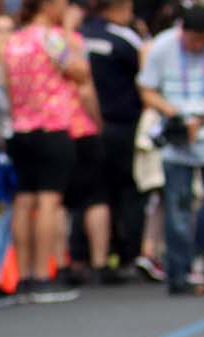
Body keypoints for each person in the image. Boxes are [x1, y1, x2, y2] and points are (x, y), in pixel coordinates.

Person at [138, 4, 204, 295]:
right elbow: (147, 88)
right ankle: (177, 274)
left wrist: (203, 117)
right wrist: (172, 112)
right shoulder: (163, 46)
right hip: (177, 141)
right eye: (193, 39)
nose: (198, 45)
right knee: (178, 211)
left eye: (203, 39)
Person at [3, 0, 91, 302]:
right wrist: (68, 31)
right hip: (51, 126)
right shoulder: (51, 37)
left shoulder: (14, 41)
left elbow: (7, 84)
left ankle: (24, 276)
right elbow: (80, 71)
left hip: (21, 127)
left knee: (24, 202)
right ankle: (42, 274)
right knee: (48, 202)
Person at [81, 0, 147, 278]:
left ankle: (92, 257)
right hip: (122, 123)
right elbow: (146, 74)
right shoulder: (126, 38)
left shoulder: (81, 35)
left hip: (88, 125)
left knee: (94, 194)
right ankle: (128, 254)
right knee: (129, 191)